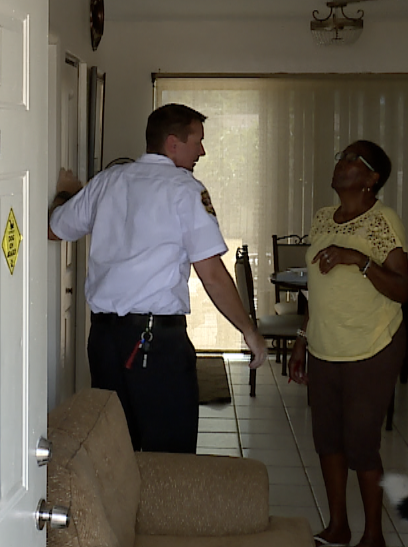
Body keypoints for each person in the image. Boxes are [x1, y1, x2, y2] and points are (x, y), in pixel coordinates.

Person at [48, 103, 268, 453]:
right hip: (155, 344)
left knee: (115, 450)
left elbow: (55, 228)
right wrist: (249, 331)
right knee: (169, 456)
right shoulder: (185, 190)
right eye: (197, 141)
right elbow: (211, 274)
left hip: (104, 341)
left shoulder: (107, 182)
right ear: (172, 144)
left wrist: (66, 194)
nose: (202, 151)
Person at [288, 140, 408, 547]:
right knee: (327, 441)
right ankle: (338, 526)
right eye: (340, 157)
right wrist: (302, 338)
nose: (341, 163)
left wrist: (358, 259)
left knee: (361, 444)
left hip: (371, 348)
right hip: (325, 346)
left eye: (351, 159)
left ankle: (373, 536)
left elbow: (402, 289)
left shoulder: (383, 220)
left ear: (372, 178)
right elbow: (318, 290)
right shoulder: (323, 218)